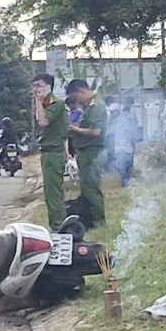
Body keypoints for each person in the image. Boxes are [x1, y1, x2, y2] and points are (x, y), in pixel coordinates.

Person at [66, 79, 107, 229]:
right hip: (85, 153)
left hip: (93, 154)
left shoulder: (96, 108)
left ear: (81, 92)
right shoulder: (88, 108)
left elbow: (96, 132)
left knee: (91, 188)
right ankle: (89, 219)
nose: (75, 102)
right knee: (86, 188)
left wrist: (75, 130)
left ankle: (99, 222)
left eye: (75, 98)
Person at [32, 73, 68, 231]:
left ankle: (58, 225)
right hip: (49, 152)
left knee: (54, 193)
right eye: (34, 86)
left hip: (53, 154)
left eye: (39, 86)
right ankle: (56, 223)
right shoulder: (47, 104)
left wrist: (38, 102)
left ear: (48, 86)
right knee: (50, 192)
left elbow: (43, 121)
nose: (36, 90)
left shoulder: (55, 104)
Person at [110, 98, 142, 187]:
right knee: (121, 164)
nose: (112, 114)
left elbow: (131, 130)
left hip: (125, 145)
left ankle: (126, 181)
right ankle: (124, 181)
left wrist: (133, 140)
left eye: (114, 112)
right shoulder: (115, 120)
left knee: (125, 163)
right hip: (119, 145)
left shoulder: (124, 118)